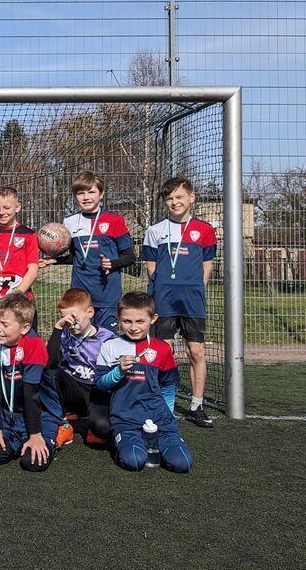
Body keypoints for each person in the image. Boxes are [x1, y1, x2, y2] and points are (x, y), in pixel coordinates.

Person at [141, 176, 217, 428]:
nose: (174, 202)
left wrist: (197, 287)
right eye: (169, 198)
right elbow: (151, 267)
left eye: (179, 197)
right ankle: (162, 404)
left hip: (192, 299)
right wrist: (163, 285)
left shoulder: (205, 230)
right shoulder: (155, 230)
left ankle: (197, 405)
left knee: (196, 351)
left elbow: (208, 265)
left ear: (191, 197)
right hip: (163, 298)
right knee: (162, 351)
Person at [94, 292, 193, 473]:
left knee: (182, 463)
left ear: (153, 318)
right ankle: (125, 444)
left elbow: (168, 386)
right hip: (126, 418)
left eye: (140, 321)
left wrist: (167, 417)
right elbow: (100, 384)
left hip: (159, 417)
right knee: (134, 461)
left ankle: (157, 441)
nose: (133, 327)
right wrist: (118, 371)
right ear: (118, 318)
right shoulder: (110, 345)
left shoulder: (162, 349)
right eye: (127, 321)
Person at [0, 293, 64, 472]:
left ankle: (59, 431)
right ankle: (15, 440)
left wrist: (35, 434)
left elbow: (31, 393)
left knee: (33, 463)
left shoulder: (34, 344)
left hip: (40, 413)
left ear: (24, 328)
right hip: (8, 413)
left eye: (5, 324)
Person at [41, 171, 135, 334]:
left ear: (101, 194)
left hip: (107, 294)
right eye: (80, 193)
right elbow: (77, 257)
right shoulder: (69, 222)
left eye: (91, 192)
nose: (86, 197)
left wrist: (112, 264)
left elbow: (130, 256)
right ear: (75, 196)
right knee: (79, 339)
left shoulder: (114, 220)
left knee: (106, 341)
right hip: (80, 295)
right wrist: (54, 260)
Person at [47, 288, 117, 447]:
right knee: (50, 373)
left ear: (90, 312)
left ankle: (92, 422)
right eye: (64, 317)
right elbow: (50, 363)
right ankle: (63, 423)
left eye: (73, 317)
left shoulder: (107, 338)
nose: (70, 322)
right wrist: (58, 328)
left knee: (103, 430)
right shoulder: (64, 333)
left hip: (97, 392)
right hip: (73, 389)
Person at [0, 186, 39, 338]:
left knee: (24, 342)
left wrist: (17, 294)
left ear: (17, 207)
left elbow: (33, 270)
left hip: (20, 299)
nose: (1, 212)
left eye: (6, 207)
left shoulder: (28, 235)